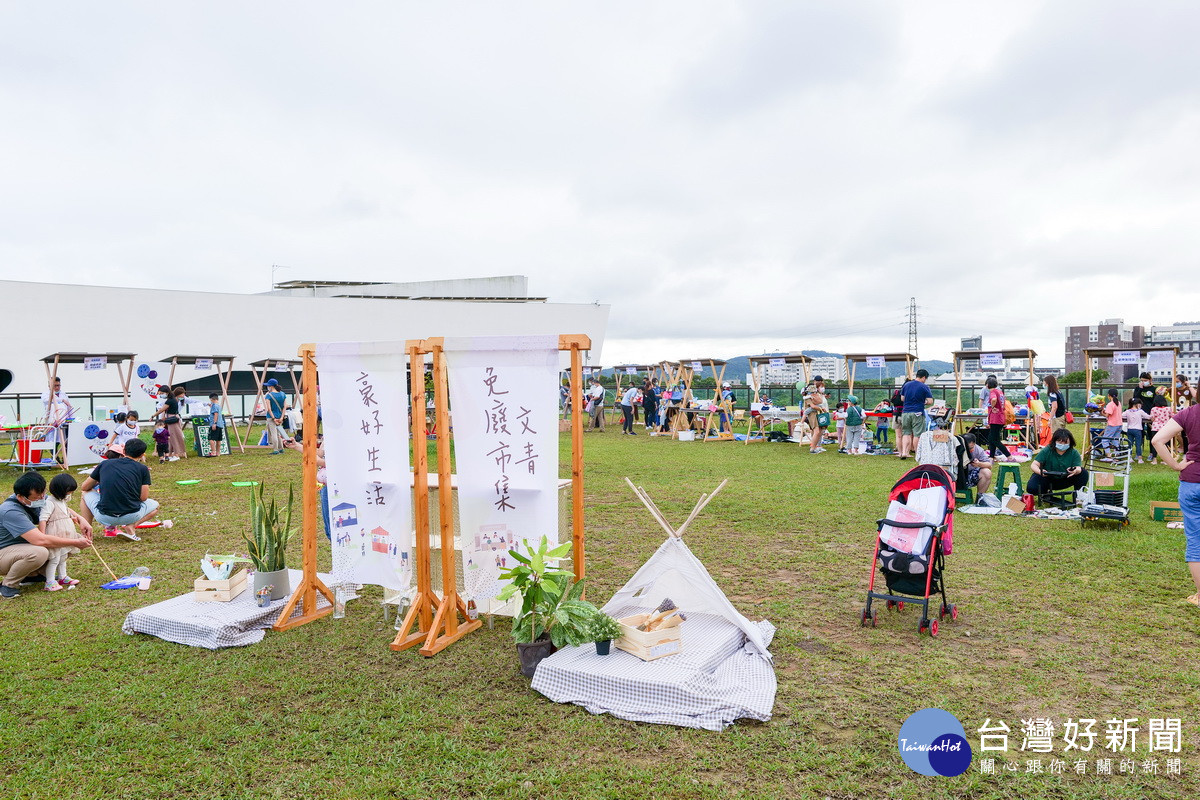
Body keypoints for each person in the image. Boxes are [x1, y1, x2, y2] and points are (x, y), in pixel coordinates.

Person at [0, 472, 94, 599]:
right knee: (39, 552)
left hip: (21, 546)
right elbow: (40, 540)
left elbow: (54, 505)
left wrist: (80, 518)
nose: (42, 498)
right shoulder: (10, 511)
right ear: (21, 497)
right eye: (37, 497)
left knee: (71, 537)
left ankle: (32, 575)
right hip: (4, 552)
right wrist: (74, 542)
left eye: (43, 494)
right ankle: (8, 585)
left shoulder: (35, 498)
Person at [1150, 402, 1200, 606]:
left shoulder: (1189, 413)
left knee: (1195, 541)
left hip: (1191, 482)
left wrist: (1176, 465)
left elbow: (1157, 440)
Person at [79, 438, 159, 541]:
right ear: (141, 455)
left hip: (104, 516)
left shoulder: (105, 464)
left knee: (84, 494)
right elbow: (143, 497)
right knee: (155, 506)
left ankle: (87, 532)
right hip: (131, 515)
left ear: (124, 451)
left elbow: (84, 487)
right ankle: (131, 526)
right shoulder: (142, 469)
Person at [37, 473, 90, 591]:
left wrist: (72, 517)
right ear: (61, 490)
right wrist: (42, 535)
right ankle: (50, 581)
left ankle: (62, 576)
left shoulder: (61, 500)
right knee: (55, 558)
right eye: (69, 491)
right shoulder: (49, 502)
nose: (70, 494)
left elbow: (64, 512)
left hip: (65, 533)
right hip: (55, 534)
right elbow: (43, 518)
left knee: (63, 556)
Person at [1027, 428, 1088, 497]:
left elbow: (1078, 468)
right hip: (1048, 478)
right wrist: (1040, 472)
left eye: (1065, 442)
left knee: (1083, 473)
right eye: (1060, 442)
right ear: (1054, 441)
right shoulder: (1047, 450)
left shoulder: (1074, 453)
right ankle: (1045, 494)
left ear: (1070, 442)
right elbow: (1034, 465)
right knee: (1032, 488)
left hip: (1066, 478)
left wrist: (1075, 471)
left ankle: (1078, 495)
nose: (1062, 444)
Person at [898, 369, 934, 460]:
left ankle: (904, 452)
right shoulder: (924, 387)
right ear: (924, 377)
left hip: (906, 412)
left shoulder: (906, 385)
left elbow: (902, 398)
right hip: (918, 412)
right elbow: (930, 401)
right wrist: (923, 402)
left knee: (906, 433)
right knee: (917, 434)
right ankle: (917, 454)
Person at [154, 386, 183, 461]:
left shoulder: (169, 401)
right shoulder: (173, 399)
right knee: (172, 437)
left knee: (173, 437)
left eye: (162, 393)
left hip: (171, 419)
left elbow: (161, 410)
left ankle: (176, 455)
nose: (161, 395)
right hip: (172, 419)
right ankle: (171, 454)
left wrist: (153, 416)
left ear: (166, 392)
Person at [961, 433, 994, 498]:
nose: (969, 450)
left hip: (969, 475)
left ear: (974, 443)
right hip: (956, 475)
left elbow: (989, 465)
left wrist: (979, 464)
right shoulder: (954, 448)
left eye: (970, 448)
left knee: (987, 472)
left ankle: (980, 498)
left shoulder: (978, 450)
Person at [264, 378, 290, 454]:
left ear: (271, 386)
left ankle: (275, 450)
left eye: (268, 386)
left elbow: (269, 409)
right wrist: (281, 417)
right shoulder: (283, 394)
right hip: (280, 416)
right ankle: (281, 448)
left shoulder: (268, 395)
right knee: (278, 433)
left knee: (274, 434)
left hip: (271, 417)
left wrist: (273, 418)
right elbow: (285, 406)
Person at [804, 376, 829, 454]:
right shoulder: (807, 397)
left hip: (817, 414)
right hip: (812, 415)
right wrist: (821, 409)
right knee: (816, 431)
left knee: (818, 431)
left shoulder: (816, 395)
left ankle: (815, 447)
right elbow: (813, 406)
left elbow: (820, 401)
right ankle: (813, 447)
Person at [1148, 388, 1173, 466]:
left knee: (1155, 444)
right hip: (1165, 428)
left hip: (1155, 428)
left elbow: (1152, 418)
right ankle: (1165, 460)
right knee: (1165, 444)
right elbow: (1172, 416)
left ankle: (1154, 459)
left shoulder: (1154, 409)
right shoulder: (1168, 409)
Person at [1123, 398, 1150, 464]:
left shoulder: (1127, 411)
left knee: (1130, 444)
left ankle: (1130, 457)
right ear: (1137, 404)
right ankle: (1139, 459)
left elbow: (1122, 416)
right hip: (1137, 430)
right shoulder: (1140, 411)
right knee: (1138, 444)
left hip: (1129, 429)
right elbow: (1148, 417)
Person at [1100, 388, 1123, 456]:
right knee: (1115, 440)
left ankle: (1108, 456)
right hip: (1119, 424)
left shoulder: (1110, 404)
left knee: (1105, 440)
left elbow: (1107, 414)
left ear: (1108, 395)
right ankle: (1117, 455)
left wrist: (1101, 412)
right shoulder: (1118, 403)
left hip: (1112, 424)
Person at [207, 392, 225, 457]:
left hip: (215, 424)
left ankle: (213, 452)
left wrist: (214, 423)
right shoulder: (218, 406)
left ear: (211, 399)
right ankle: (218, 452)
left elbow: (215, 414)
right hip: (220, 424)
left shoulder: (214, 406)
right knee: (218, 439)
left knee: (211, 438)